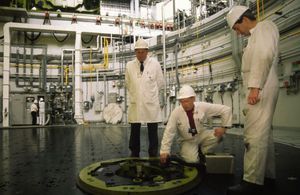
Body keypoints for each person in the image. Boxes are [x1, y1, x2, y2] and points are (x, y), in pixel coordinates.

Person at [226, 5, 280, 194]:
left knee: (253, 135)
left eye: (236, 28)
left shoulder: (264, 27)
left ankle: (251, 182)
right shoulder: (256, 35)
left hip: (262, 88)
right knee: (264, 135)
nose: (238, 33)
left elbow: (264, 55)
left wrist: (255, 87)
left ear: (244, 19)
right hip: (262, 87)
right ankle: (267, 176)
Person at [160, 85, 232, 165]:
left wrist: (224, 127)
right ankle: (187, 151)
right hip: (187, 140)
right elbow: (169, 132)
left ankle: (201, 150)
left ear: (193, 98)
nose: (184, 104)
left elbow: (226, 110)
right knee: (192, 161)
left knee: (220, 135)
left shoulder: (202, 106)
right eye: (182, 101)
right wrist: (164, 151)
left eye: (187, 101)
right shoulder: (176, 113)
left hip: (200, 135)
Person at [125, 38, 165, 157]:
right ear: (135, 52)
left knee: (152, 129)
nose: (140, 54)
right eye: (138, 52)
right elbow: (128, 83)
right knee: (134, 128)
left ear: (147, 51)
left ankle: (153, 152)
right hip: (136, 102)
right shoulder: (129, 65)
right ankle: (134, 152)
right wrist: (137, 92)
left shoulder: (155, 64)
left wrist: (148, 94)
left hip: (150, 102)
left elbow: (160, 82)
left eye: (143, 52)